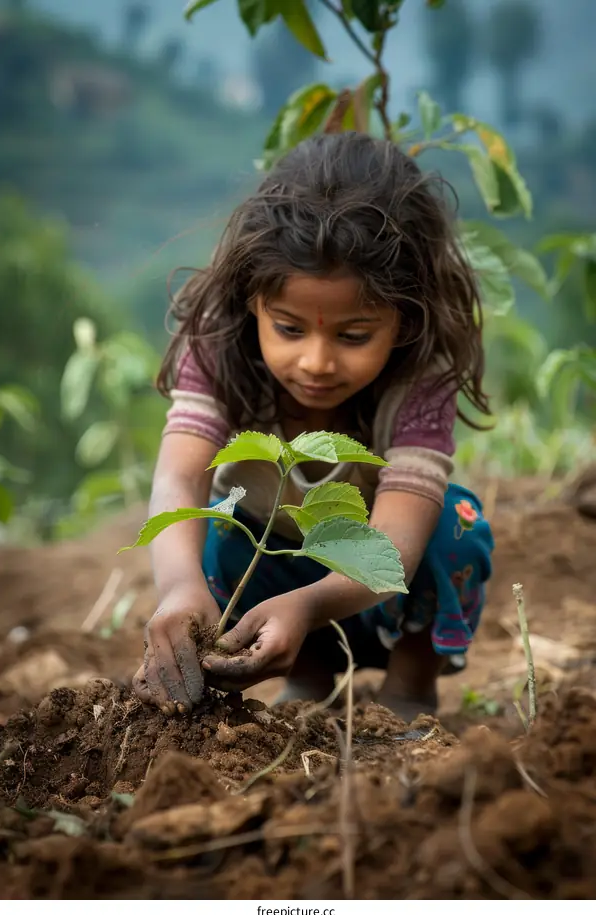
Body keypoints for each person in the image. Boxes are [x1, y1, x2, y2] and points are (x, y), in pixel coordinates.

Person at [133, 131, 494, 722]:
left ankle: (409, 686)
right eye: (290, 328)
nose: (318, 362)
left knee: (456, 524)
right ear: (253, 302)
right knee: (220, 536)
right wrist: (179, 588)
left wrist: (310, 604)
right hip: (269, 577)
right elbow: (179, 478)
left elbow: (397, 547)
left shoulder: (420, 377)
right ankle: (307, 675)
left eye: (354, 336)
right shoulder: (220, 348)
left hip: (379, 588)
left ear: (406, 318)